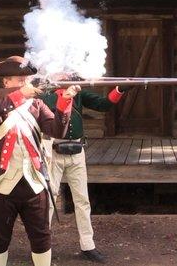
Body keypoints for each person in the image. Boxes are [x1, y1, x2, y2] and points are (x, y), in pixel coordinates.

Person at [0, 56, 81, 266]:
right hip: (1, 184)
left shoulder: (37, 105)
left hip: (34, 184)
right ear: (6, 82)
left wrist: (65, 100)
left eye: (27, 80)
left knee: (42, 237)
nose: (25, 83)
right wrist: (18, 96)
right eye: (20, 80)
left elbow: (56, 130)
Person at [43, 79, 128, 264]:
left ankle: (88, 246)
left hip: (77, 152)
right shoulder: (46, 95)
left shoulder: (80, 94)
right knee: (48, 200)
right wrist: (66, 96)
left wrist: (120, 89)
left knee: (82, 200)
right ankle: (42, 248)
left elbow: (104, 104)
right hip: (53, 151)